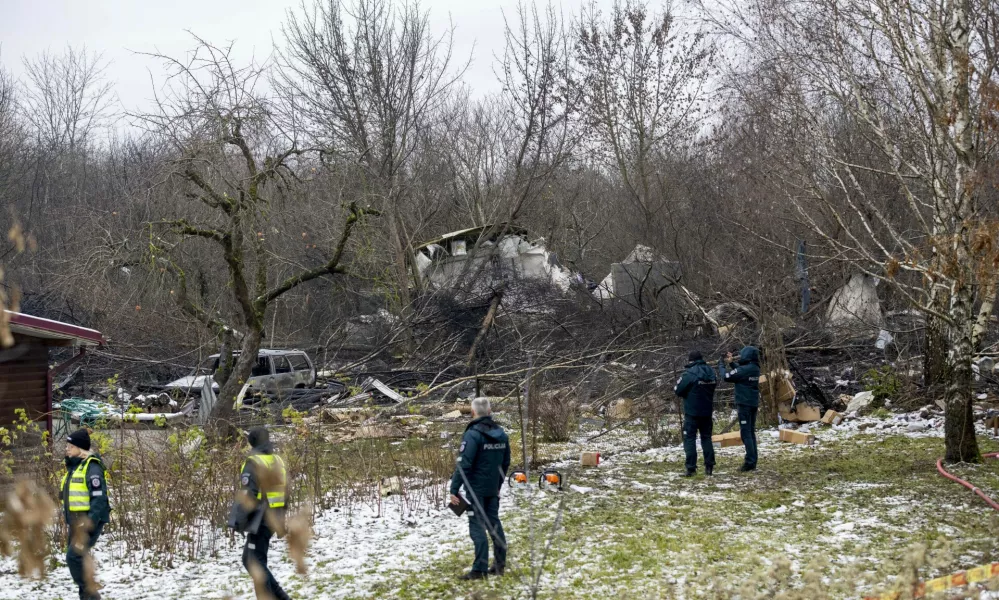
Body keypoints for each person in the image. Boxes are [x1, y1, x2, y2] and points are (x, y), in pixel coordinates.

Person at [449, 397, 511, 580]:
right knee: (494, 524)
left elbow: (463, 464)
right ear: (490, 412)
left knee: (477, 527)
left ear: (473, 413)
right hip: (492, 488)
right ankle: (499, 566)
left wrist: (454, 489)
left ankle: (479, 570)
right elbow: (505, 463)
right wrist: (498, 484)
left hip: (475, 489)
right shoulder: (502, 434)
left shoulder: (472, 435)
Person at [228, 427, 291, 600]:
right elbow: (285, 492)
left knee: (255, 562)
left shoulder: (253, 462)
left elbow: (249, 494)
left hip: (261, 519)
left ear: (252, 443)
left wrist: (238, 521)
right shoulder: (277, 460)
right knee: (249, 559)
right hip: (274, 517)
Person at [61, 428, 110, 600]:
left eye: (71, 446)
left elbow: (99, 499)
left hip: (87, 521)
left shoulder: (92, 468)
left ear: (80, 448)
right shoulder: (75, 467)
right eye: (67, 445)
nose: (67, 449)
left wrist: (89, 522)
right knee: (79, 560)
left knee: (74, 557)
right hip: (75, 521)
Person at [674, 350, 718, 477]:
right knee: (706, 438)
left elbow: (678, 389)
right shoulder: (711, 372)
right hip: (707, 411)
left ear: (690, 361)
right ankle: (709, 467)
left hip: (692, 412)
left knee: (689, 439)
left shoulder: (689, 374)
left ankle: (691, 468)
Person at [722, 346, 762, 472]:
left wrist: (722, 366)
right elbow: (740, 373)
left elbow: (727, 377)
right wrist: (732, 363)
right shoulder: (755, 368)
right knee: (750, 432)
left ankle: (749, 462)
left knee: (746, 434)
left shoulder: (746, 369)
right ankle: (753, 460)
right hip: (752, 403)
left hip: (744, 404)